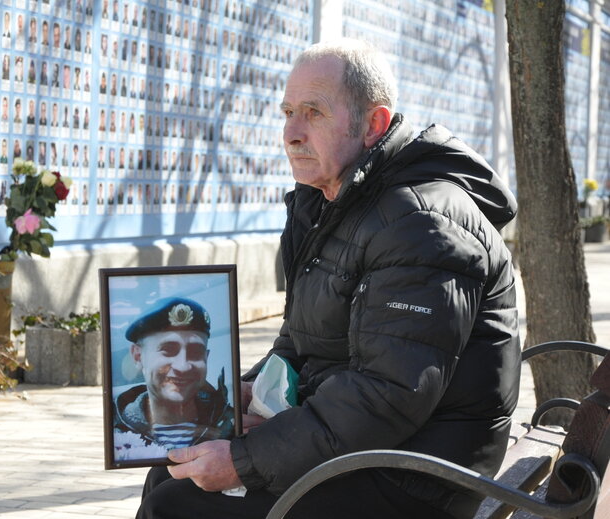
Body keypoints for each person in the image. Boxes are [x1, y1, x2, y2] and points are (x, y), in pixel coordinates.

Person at [136, 38, 520, 519]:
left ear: (373, 125)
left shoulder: (421, 223)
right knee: (169, 469)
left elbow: (388, 392)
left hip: (415, 477)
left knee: (180, 505)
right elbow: (300, 341)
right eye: (287, 111)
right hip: (370, 448)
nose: (291, 133)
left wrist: (245, 461)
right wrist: (240, 398)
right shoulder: (331, 202)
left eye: (313, 113)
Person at [113, 297, 234, 459]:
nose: (182, 366)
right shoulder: (117, 431)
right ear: (138, 356)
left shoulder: (229, 425)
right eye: (168, 350)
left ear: (206, 358)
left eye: (195, 352)